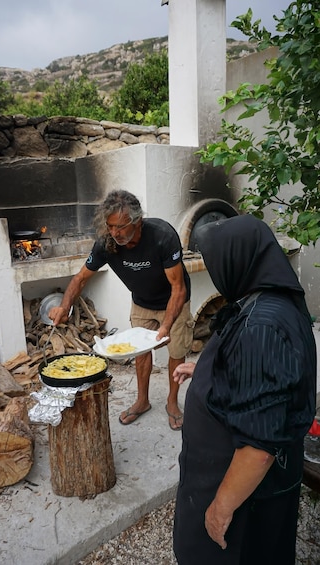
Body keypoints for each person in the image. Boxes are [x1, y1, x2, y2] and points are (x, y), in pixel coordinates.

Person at [172, 214, 316, 564]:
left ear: (239, 260)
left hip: (245, 499)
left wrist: (220, 510)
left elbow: (258, 447)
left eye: (215, 263)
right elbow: (267, 381)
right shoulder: (270, 298)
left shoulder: (261, 329)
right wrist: (206, 371)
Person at [49, 189, 193, 430]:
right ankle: (142, 401)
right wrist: (65, 306)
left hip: (173, 300)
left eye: (121, 226)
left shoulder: (162, 236)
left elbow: (178, 288)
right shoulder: (106, 243)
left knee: (176, 352)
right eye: (110, 226)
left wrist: (166, 326)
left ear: (137, 222)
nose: (115, 233)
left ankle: (172, 402)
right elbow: (81, 278)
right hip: (142, 302)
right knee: (140, 353)